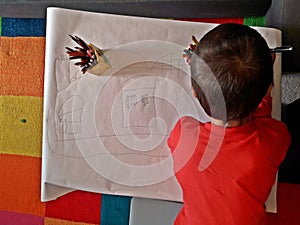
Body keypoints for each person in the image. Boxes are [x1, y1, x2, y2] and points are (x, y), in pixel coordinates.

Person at [168, 23, 291, 225]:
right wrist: (263, 96)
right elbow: (263, 122)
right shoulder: (274, 139)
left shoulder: (183, 134)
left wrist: (205, 75)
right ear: (269, 88)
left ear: (194, 93)